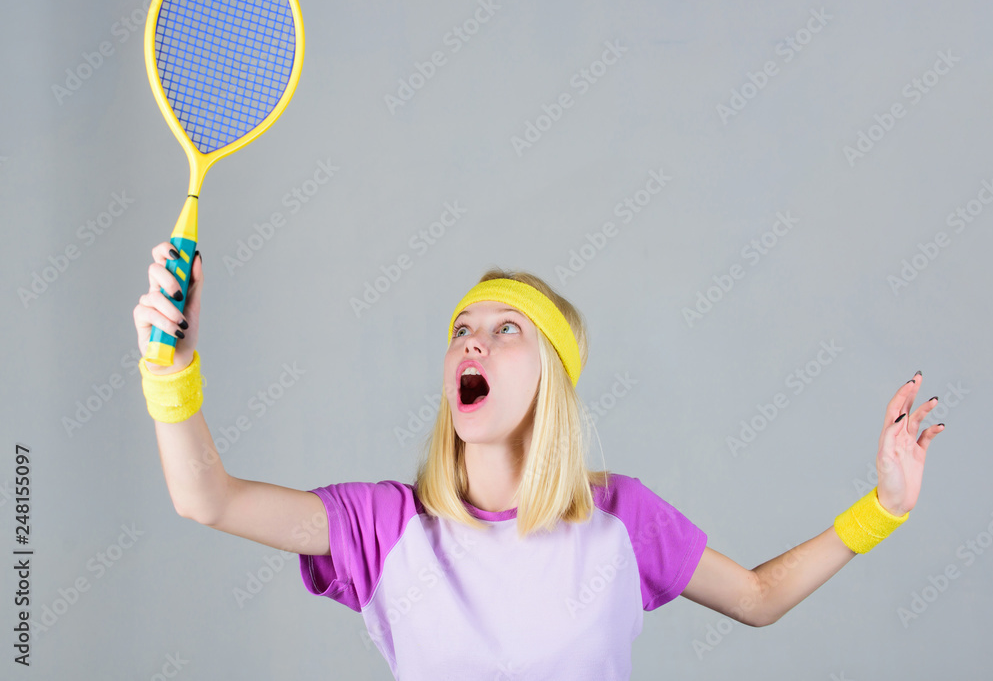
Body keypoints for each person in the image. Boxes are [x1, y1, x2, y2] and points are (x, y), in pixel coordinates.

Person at [133, 241, 945, 680]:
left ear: (551, 377)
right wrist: (172, 370)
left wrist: (883, 509)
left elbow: (760, 599)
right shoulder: (382, 526)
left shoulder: (621, 519)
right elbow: (209, 499)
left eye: (505, 330)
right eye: (462, 329)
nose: (473, 342)